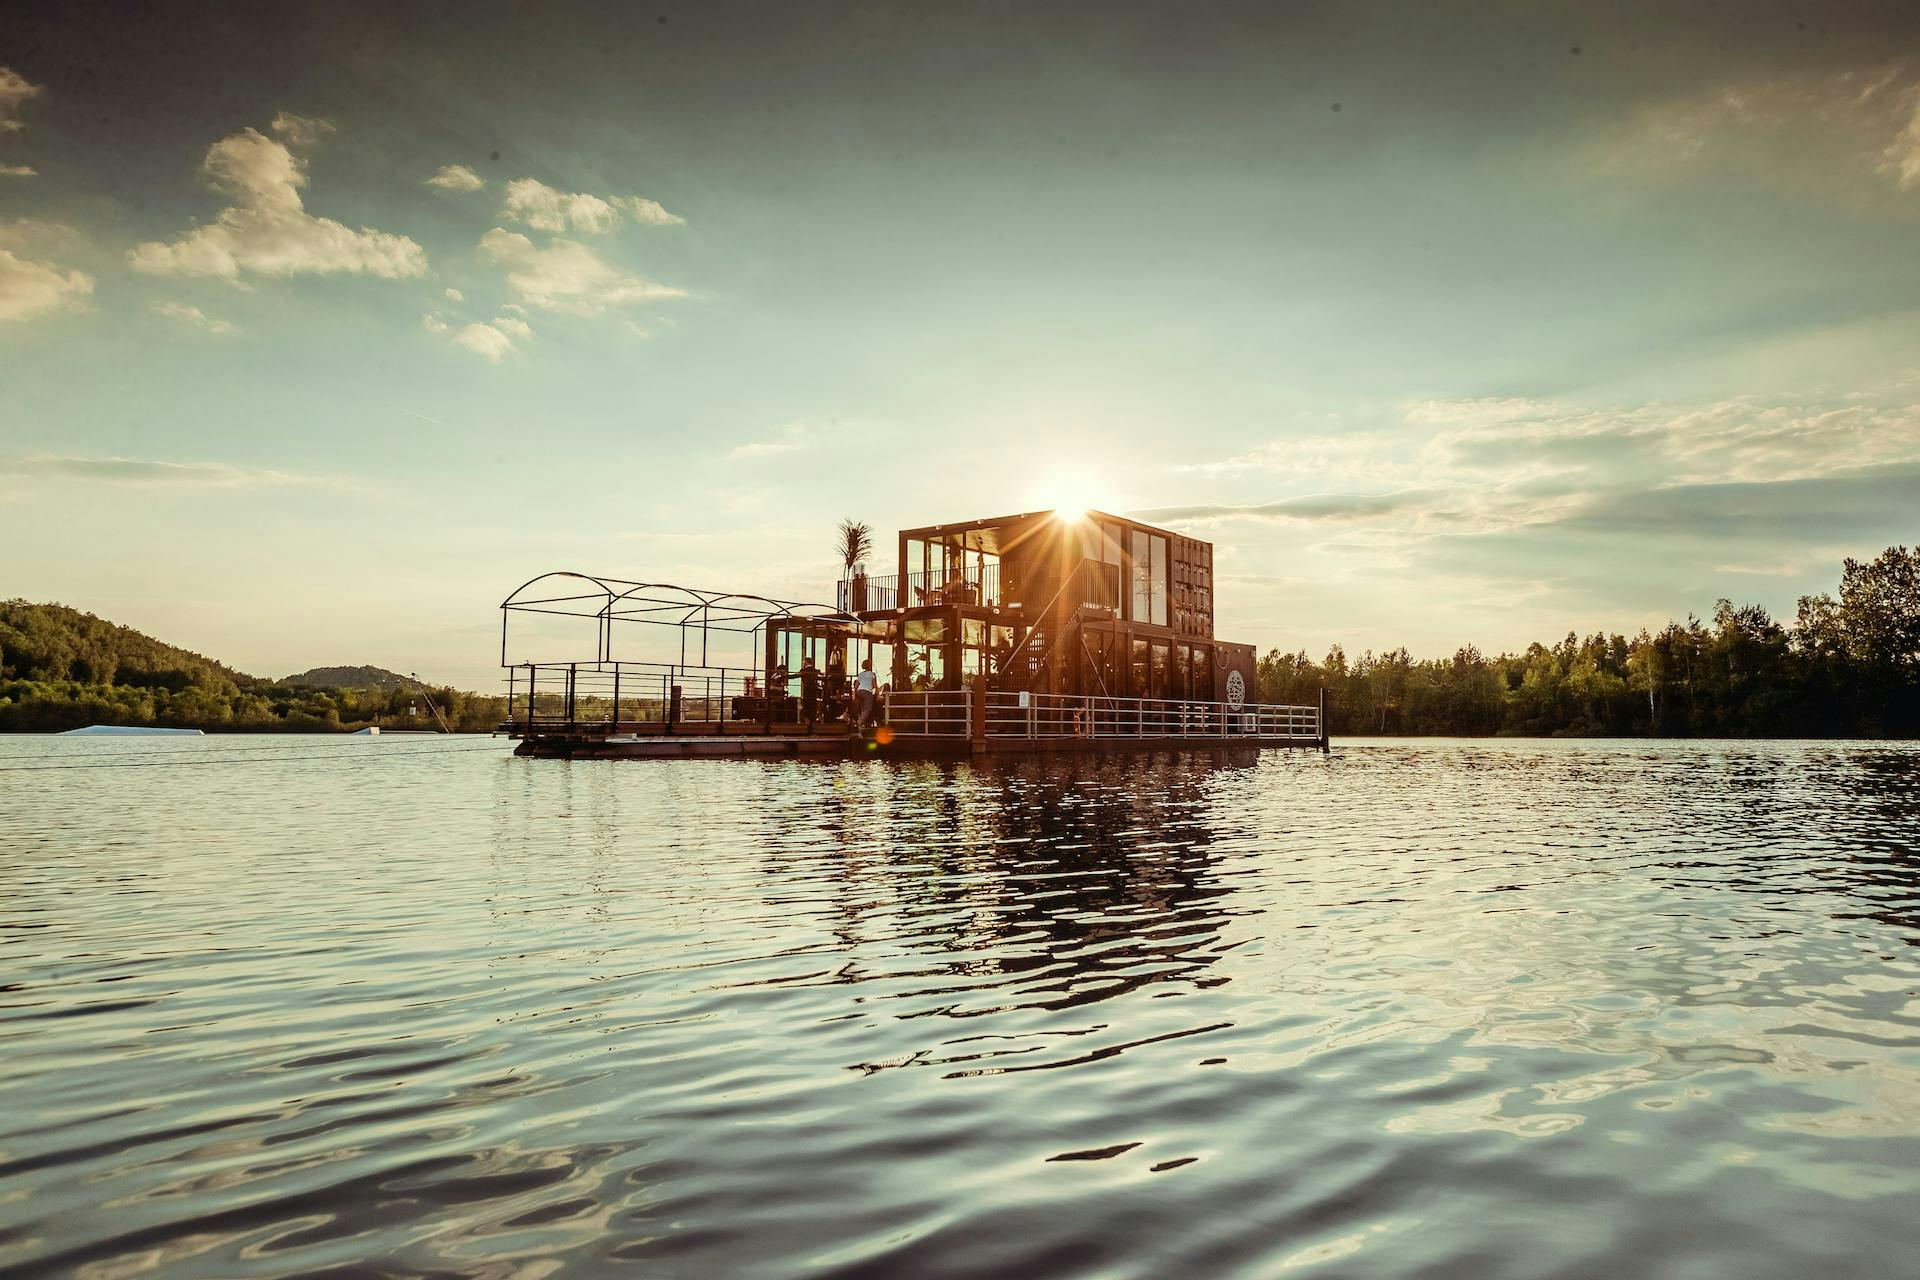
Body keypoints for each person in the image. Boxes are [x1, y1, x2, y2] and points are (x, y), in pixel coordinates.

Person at [852, 657, 878, 729]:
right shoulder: (872, 674)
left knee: (863, 708)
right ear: (869, 665)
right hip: (867, 692)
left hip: (859, 691)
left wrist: (854, 694)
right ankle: (860, 722)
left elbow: (856, 685)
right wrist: (877, 693)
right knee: (868, 708)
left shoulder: (860, 674)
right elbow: (874, 685)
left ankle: (861, 725)